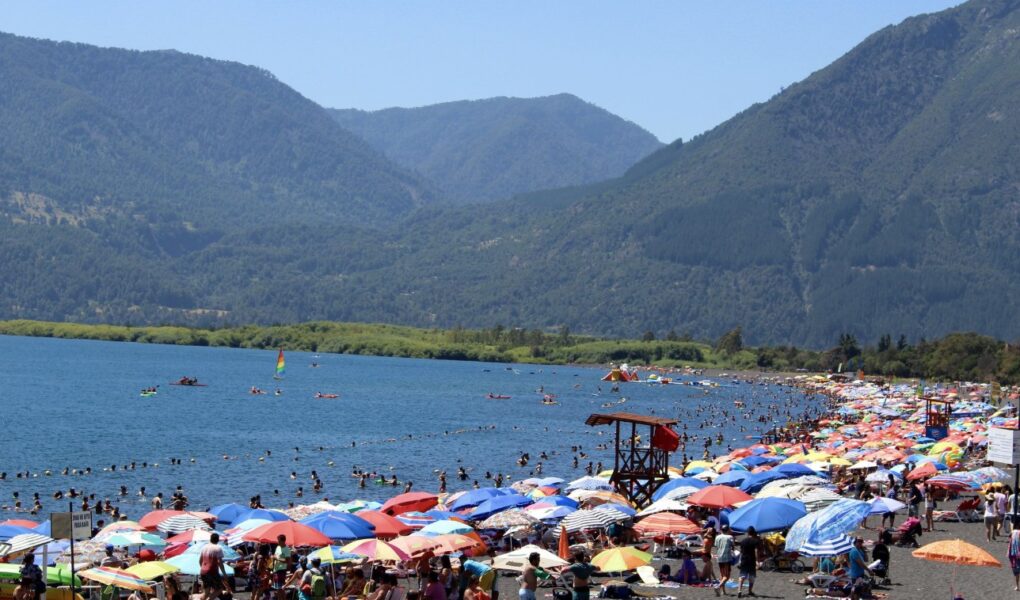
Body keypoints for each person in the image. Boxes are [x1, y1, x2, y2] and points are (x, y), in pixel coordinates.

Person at [199, 532, 228, 600]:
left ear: (210, 539)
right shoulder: (218, 548)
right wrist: (224, 574)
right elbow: (220, 563)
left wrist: (203, 569)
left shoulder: (204, 547)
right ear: (218, 540)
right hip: (212, 571)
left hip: (203, 571)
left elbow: (200, 561)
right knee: (219, 589)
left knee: (206, 592)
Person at [736, 527, 762, 598]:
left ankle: (739, 590)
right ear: (754, 533)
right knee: (752, 577)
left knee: (742, 576)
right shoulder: (755, 541)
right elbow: (756, 551)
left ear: (748, 533)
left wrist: (739, 561)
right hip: (751, 561)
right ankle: (750, 591)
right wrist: (757, 561)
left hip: (744, 560)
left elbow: (741, 552)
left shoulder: (743, 541)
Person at [713, 525, 735, 596]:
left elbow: (716, 546)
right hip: (726, 558)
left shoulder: (717, 537)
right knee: (727, 576)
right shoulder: (730, 537)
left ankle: (723, 592)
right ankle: (718, 587)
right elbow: (733, 547)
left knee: (723, 575)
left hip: (719, 557)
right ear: (727, 530)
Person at [274, 535, 293, 600]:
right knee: (278, 589)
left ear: (283, 541)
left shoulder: (286, 549)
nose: (277, 542)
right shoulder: (278, 547)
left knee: (281, 589)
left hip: (281, 570)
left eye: (279, 540)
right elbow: (275, 556)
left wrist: (277, 558)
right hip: (276, 569)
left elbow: (287, 561)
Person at [1010, 525, 1020, 592]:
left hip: (1014, 554)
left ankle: (1017, 586)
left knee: (1016, 572)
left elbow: (1010, 544)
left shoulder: (1013, 533)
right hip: (1016, 554)